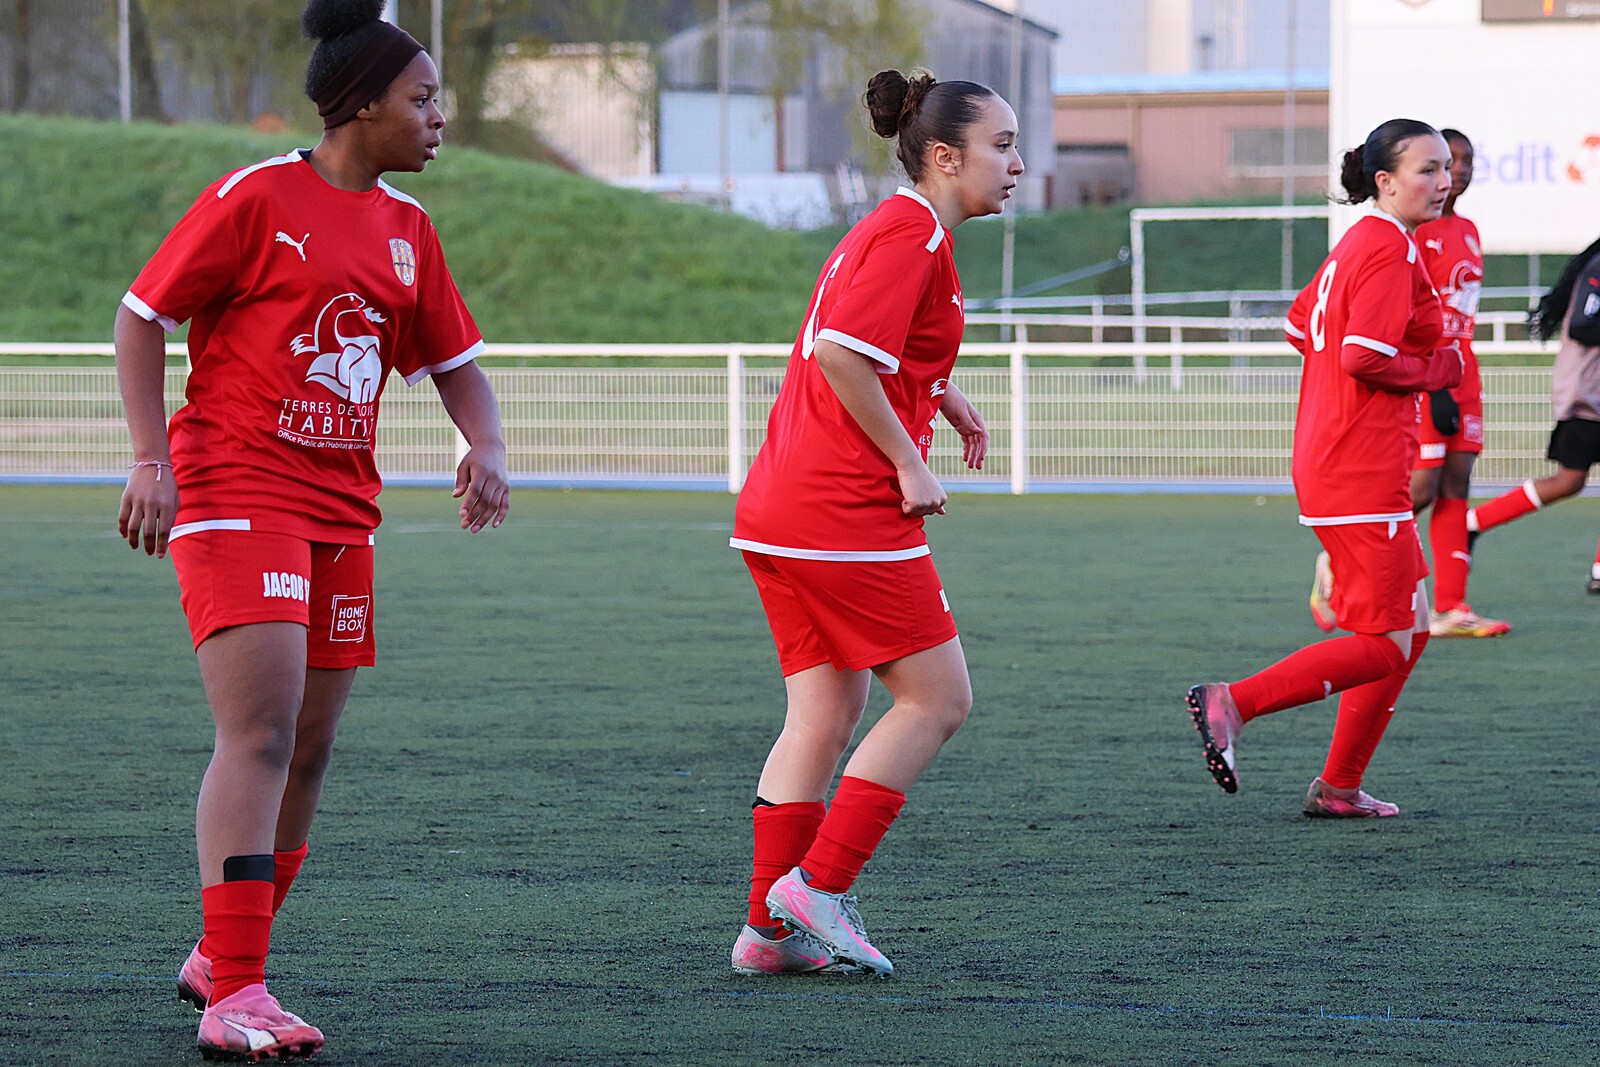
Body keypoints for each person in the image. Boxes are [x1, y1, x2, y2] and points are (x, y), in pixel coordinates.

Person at [115, 1, 509, 1058]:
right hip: (237, 487)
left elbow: (455, 361)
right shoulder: (256, 198)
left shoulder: (408, 230)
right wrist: (150, 458)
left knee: (311, 745)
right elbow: (141, 316)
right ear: (361, 105)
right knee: (260, 731)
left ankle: (221, 956)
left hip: (342, 511)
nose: (440, 117)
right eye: (422, 98)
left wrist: (486, 443)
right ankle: (238, 991)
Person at [726, 68, 1017, 977]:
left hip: (781, 509)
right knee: (938, 699)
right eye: (1002, 146)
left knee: (823, 711)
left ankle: (768, 931)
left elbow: (874, 345)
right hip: (841, 508)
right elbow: (842, 355)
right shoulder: (913, 234)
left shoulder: (901, 228)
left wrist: (943, 395)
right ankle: (819, 886)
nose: (1016, 164)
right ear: (945, 156)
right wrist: (907, 460)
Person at [1188, 119, 1461, 819]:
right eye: (1428, 169)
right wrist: (1436, 369)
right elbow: (1362, 356)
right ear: (1385, 181)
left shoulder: (1362, 241)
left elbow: (1297, 324)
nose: (1444, 180)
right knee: (1385, 646)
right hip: (1359, 466)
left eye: (1447, 168)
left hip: (1342, 458)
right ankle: (1232, 702)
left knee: (1412, 627)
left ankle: (1339, 787)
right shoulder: (1387, 247)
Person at [1310, 129, 1508, 638]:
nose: (1454, 173)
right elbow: (1380, 336)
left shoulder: (1466, 229)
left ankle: (1453, 605)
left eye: (1461, 162)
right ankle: (1341, 556)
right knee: (1421, 485)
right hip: (1424, 375)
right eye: (1438, 165)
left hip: (1459, 368)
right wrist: (1431, 382)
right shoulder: (1405, 236)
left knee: (1458, 481)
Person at [1463, 234, 1600, 592]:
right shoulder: (1599, 266)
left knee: (1569, 481)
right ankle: (1472, 523)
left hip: (1591, 393)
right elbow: (1583, 324)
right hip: (1588, 394)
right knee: (1569, 480)